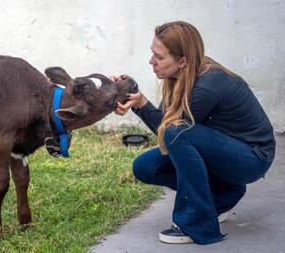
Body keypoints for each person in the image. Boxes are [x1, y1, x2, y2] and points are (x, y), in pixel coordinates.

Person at [112, 21, 276, 245]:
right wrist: (138, 101)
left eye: (159, 57)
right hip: (223, 152)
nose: (151, 61)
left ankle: (196, 223)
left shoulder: (208, 84)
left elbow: (171, 132)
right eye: (152, 54)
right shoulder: (179, 77)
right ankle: (223, 195)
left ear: (183, 61)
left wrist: (141, 104)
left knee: (177, 133)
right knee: (145, 166)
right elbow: (167, 130)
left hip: (251, 158)